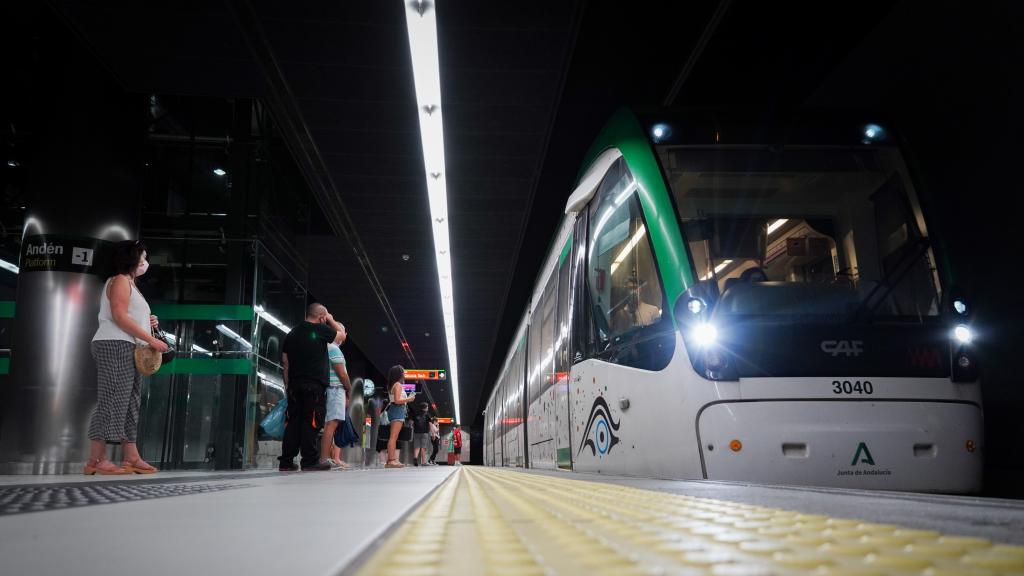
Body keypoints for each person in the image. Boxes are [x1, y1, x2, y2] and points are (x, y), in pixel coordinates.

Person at [85, 240, 169, 475]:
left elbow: (128, 315)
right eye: (142, 257)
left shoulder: (131, 284)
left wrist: (149, 322)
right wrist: (152, 340)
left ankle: (131, 457)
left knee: (130, 403)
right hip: (114, 343)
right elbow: (119, 316)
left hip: (127, 345)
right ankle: (96, 460)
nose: (145, 262)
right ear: (130, 259)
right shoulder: (121, 280)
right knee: (112, 400)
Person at [278, 303, 345, 472]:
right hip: (313, 386)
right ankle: (309, 461)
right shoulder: (321, 329)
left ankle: (286, 462)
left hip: (294, 386)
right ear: (321, 317)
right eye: (324, 318)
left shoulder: (292, 333)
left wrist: (288, 386)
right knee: (310, 422)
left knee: (293, 422)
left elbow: (285, 363)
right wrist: (331, 319)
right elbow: (341, 337)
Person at [322, 338, 352, 470]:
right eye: (342, 330)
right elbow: (342, 374)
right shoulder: (333, 348)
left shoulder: (328, 348)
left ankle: (328, 459)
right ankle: (324, 459)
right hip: (335, 388)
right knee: (331, 424)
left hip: (333, 389)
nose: (345, 334)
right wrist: (349, 389)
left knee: (331, 424)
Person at [385, 365, 416, 469]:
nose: (404, 374)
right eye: (403, 372)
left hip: (395, 410)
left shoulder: (392, 385)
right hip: (397, 410)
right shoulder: (398, 385)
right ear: (399, 374)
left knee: (393, 437)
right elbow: (397, 400)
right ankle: (391, 461)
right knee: (393, 437)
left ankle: (391, 460)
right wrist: (409, 399)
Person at [411, 402, 431, 467]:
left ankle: (415, 458)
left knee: (417, 446)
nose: (428, 408)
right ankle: (424, 462)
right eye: (427, 407)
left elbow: (412, 423)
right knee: (423, 447)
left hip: (416, 432)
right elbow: (430, 424)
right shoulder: (427, 414)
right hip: (424, 432)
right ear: (425, 408)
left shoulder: (416, 413)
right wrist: (430, 431)